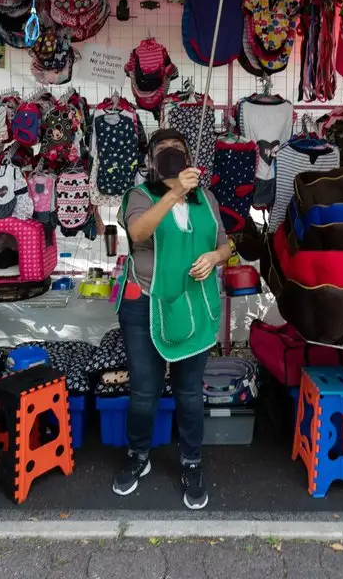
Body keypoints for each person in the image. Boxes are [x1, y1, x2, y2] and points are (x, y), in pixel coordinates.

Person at [113, 129, 232, 510]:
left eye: (177, 149)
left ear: (189, 156)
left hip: (194, 306)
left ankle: (191, 461)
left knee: (189, 392)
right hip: (144, 304)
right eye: (162, 150)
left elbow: (226, 243)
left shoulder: (208, 198)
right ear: (150, 159)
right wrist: (175, 192)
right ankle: (138, 456)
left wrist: (216, 258)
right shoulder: (138, 196)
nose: (170, 154)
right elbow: (137, 232)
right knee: (145, 391)